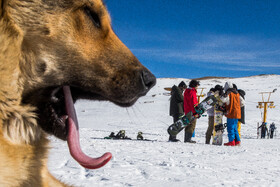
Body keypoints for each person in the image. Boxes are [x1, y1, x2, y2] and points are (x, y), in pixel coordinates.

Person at [221, 81, 245, 146]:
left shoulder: (228, 93)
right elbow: (242, 103)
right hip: (237, 113)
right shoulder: (237, 93)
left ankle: (231, 141)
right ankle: (238, 141)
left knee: (230, 127)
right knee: (235, 128)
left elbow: (223, 100)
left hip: (231, 112)